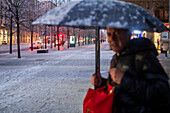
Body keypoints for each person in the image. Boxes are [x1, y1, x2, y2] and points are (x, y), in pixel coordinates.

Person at [91, 28, 170, 113]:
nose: (112, 39)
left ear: (128, 34)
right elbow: (116, 88)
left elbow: (162, 95)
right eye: (109, 34)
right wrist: (102, 83)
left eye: (117, 33)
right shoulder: (115, 58)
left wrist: (124, 79)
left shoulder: (144, 57)